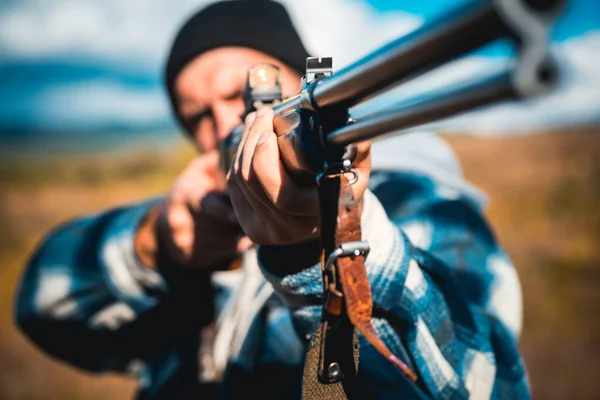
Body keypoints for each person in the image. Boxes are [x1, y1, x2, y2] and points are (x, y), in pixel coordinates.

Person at [14, 1, 530, 399]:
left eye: (241, 96)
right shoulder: (193, 230)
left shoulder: (419, 202)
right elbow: (42, 304)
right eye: (196, 116)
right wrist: (155, 245)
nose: (224, 126)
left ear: (298, 85)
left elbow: (486, 384)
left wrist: (329, 240)